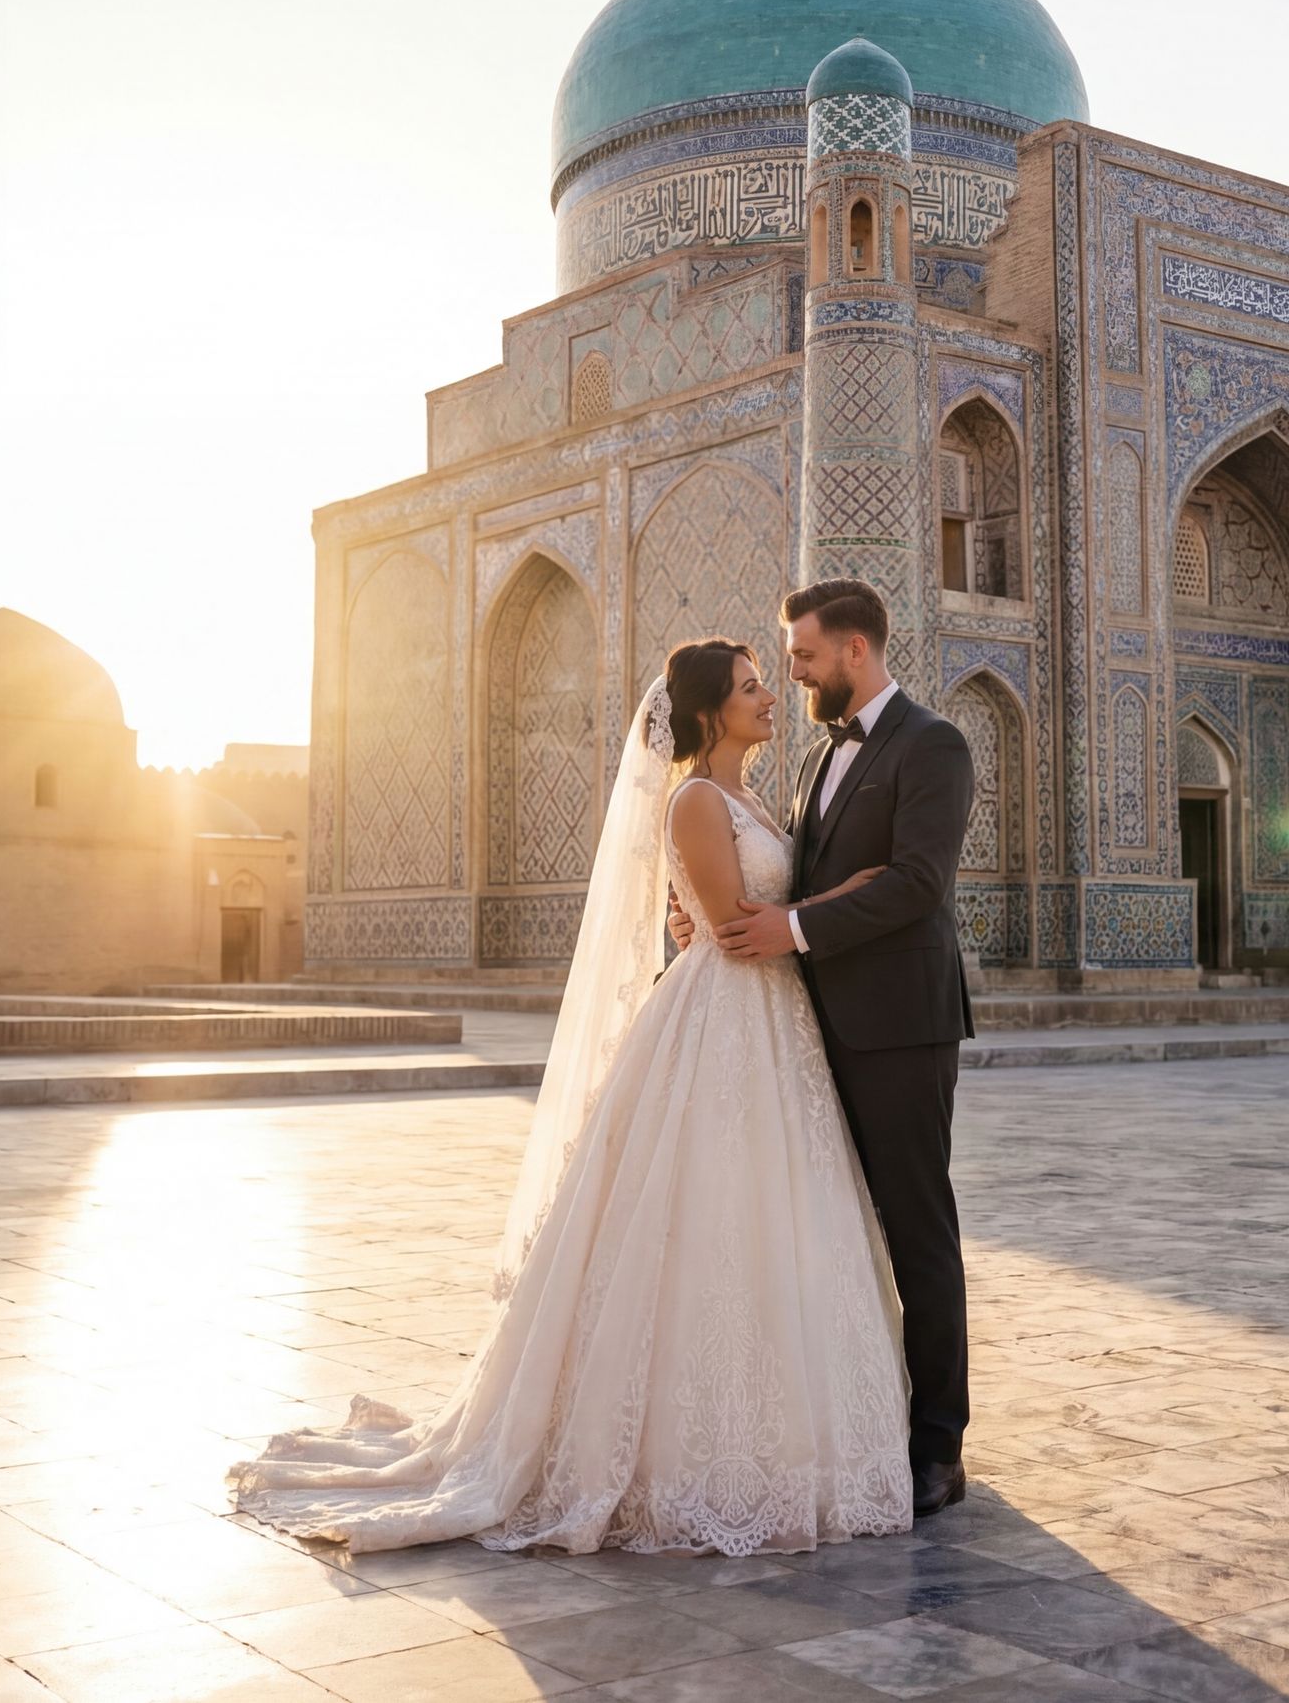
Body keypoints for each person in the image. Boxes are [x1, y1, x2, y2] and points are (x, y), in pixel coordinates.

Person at [229, 638, 912, 1555]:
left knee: (772, 1221)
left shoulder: (750, 797)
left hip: (774, 1033)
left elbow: (754, 910)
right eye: (753, 687)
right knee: (705, 1225)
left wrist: (814, 907)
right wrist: (853, 895)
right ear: (711, 709)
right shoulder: (696, 801)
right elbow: (730, 930)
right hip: (724, 1023)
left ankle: (793, 1443)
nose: (770, 697)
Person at [688, 579, 977, 1518]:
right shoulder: (819, 757)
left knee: (916, 1230)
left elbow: (916, 883)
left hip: (900, 1026)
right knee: (835, 1233)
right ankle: (856, 1423)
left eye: (804, 656)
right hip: (810, 1034)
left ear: (854, 649)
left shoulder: (933, 745)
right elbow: (788, 878)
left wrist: (793, 926)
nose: (794, 673)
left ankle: (937, 1447)